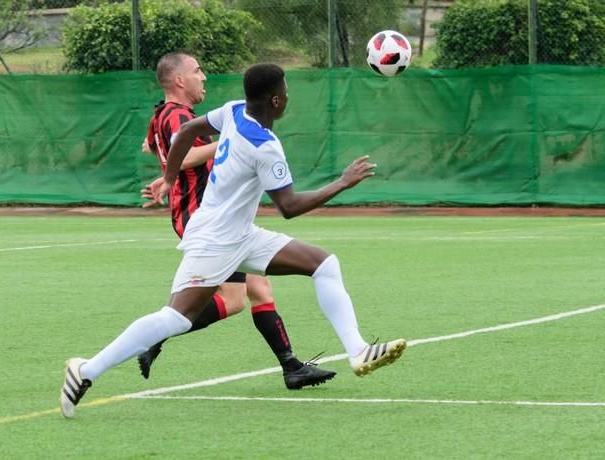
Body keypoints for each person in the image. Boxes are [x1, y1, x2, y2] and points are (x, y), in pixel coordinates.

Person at [60, 63, 406, 419]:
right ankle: (85, 370)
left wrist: (168, 177)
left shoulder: (234, 109)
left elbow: (188, 131)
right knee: (177, 318)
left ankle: (358, 350)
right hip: (215, 240)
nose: (288, 97)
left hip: (242, 235)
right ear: (275, 100)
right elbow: (288, 206)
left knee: (324, 264)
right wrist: (342, 183)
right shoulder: (265, 145)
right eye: (286, 92)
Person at [138, 52, 336, 390]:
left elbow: (149, 146)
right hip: (205, 215)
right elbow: (182, 154)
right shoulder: (177, 114)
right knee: (234, 300)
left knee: (256, 290)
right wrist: (228, 143)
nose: (204, 77)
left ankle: (291, 366)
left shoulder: (161, 114)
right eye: (198, 71)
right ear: (179, 80)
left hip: (204, 215)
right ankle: (154, 336)